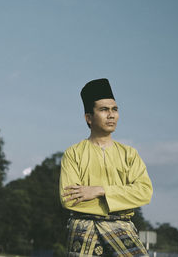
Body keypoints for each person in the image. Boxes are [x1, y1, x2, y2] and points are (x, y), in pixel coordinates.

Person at [59, 78, 153, 257]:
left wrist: (99, 191)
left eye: (114, 109)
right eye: (104, 110)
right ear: (89, 118)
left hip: (122, 228)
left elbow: (144, 192)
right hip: (83, 230)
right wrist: (121, 199)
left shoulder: (129, 154)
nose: (111, 115)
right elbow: (69, 199)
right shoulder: (73, 154)